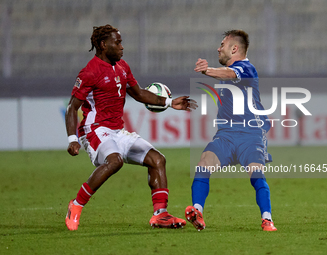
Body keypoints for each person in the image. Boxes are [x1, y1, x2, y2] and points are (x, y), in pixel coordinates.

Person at [65, 24, 197, 231]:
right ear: (103, 44)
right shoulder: (89, 72)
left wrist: (170, 103)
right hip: (95, 130)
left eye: (121, 42)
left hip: (118, 130)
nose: (122, 47)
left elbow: (138, 93)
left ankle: (160, 215)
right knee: (115, 161)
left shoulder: (122, 67)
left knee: (157, 160)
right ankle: (77, 204)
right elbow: (72, 107)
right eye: (117, 43)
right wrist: (72, 139)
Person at [185, 30, 277, 231]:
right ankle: (197, 212)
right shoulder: (228, 72)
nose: (218, 48)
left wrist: (207, 70)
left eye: (222, 45)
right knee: (203, 163)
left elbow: (230, 74)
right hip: (226, 134)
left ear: (234, 48)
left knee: (256, 174)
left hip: (250, 134)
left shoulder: (246, 68)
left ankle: (267, 219)